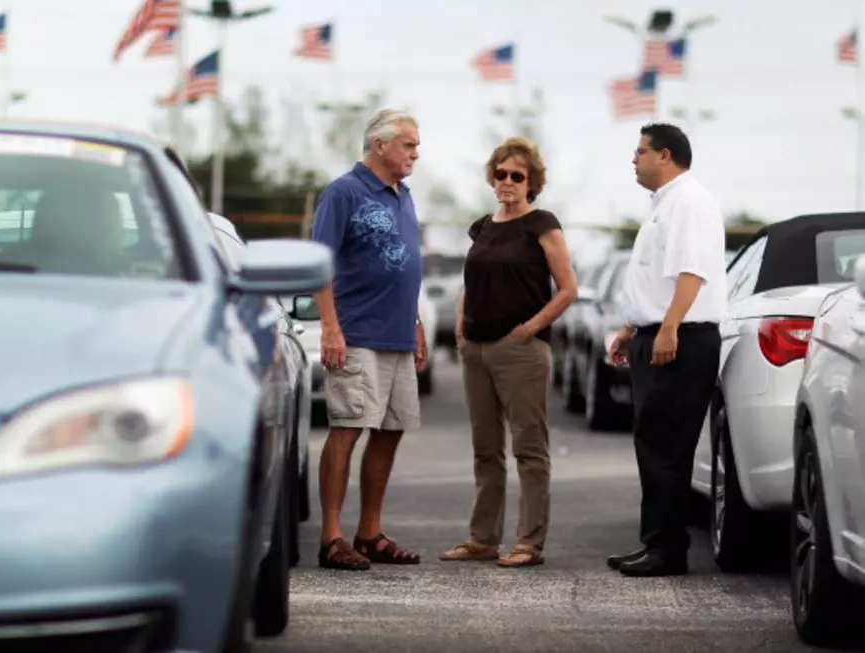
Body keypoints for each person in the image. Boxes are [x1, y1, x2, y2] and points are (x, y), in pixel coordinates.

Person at [439, 137, 578, 568]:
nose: (507, 182)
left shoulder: (542, 225)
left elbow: (568, 289)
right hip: (476, 349)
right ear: (492, 176)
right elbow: (473, 279)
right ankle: (482, 538)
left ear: (531, 182)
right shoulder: (482, 227)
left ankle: (529, 542)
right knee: (485, 449)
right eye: (501, 173)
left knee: (528, 448)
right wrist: (462, 324)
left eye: (517, 175)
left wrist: (530, 329)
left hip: (519, 350)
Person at [606, 123, 726, 577]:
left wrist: (670, 327)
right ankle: (656, 542)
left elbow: (690, 273)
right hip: (656, 333)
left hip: (680, 338)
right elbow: (654, 280)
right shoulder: (665, 204)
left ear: (665, 155)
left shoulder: (690, 202)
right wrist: (629, 327)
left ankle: (668, 551)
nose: (633, 159)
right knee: (652, 444)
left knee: (666, 447)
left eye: (640, 151)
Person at [310, 109, 428, 571]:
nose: (416, 154)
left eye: (416, 146)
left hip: (397, 333)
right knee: (347, 428)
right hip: (356, 332)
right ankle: (332, 537)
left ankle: (370, 532)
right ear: (380, 146)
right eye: (409, 145)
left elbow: (406, 266)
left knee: (391, 429)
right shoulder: (344, 192)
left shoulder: (405, 195)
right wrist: (330, 326)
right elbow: (320, 262)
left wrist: (415, 322)